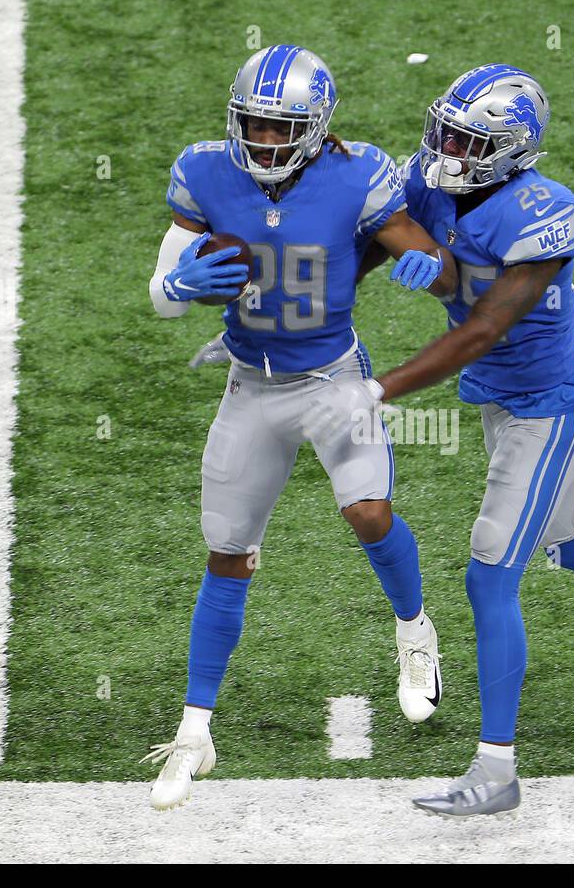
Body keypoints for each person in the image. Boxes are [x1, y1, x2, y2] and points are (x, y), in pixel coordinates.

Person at [304, 65, 574, 817]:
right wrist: (305, 310)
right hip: (505, 398)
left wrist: (378, 387)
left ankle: (497, 771)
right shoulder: (430, 181)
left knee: (490, 573)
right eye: (444, 130)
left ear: (512, 151)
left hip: (549, 404)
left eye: (466, 140)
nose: (443, 148)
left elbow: (487, 327)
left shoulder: (542, 211)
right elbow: (366, 243)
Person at [143, 45, 457, 811]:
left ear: (316, 130)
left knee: (368, 511)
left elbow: (438, 265)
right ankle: (194, 733)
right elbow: (162, 293)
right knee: (226, 554)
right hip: (251, 382)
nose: (266, 141)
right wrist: (178, 284)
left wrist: (430, 266)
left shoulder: (358, 174)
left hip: (333, 376)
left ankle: (416, 633)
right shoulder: (204, 169)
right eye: (255, 124)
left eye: (283, 129)